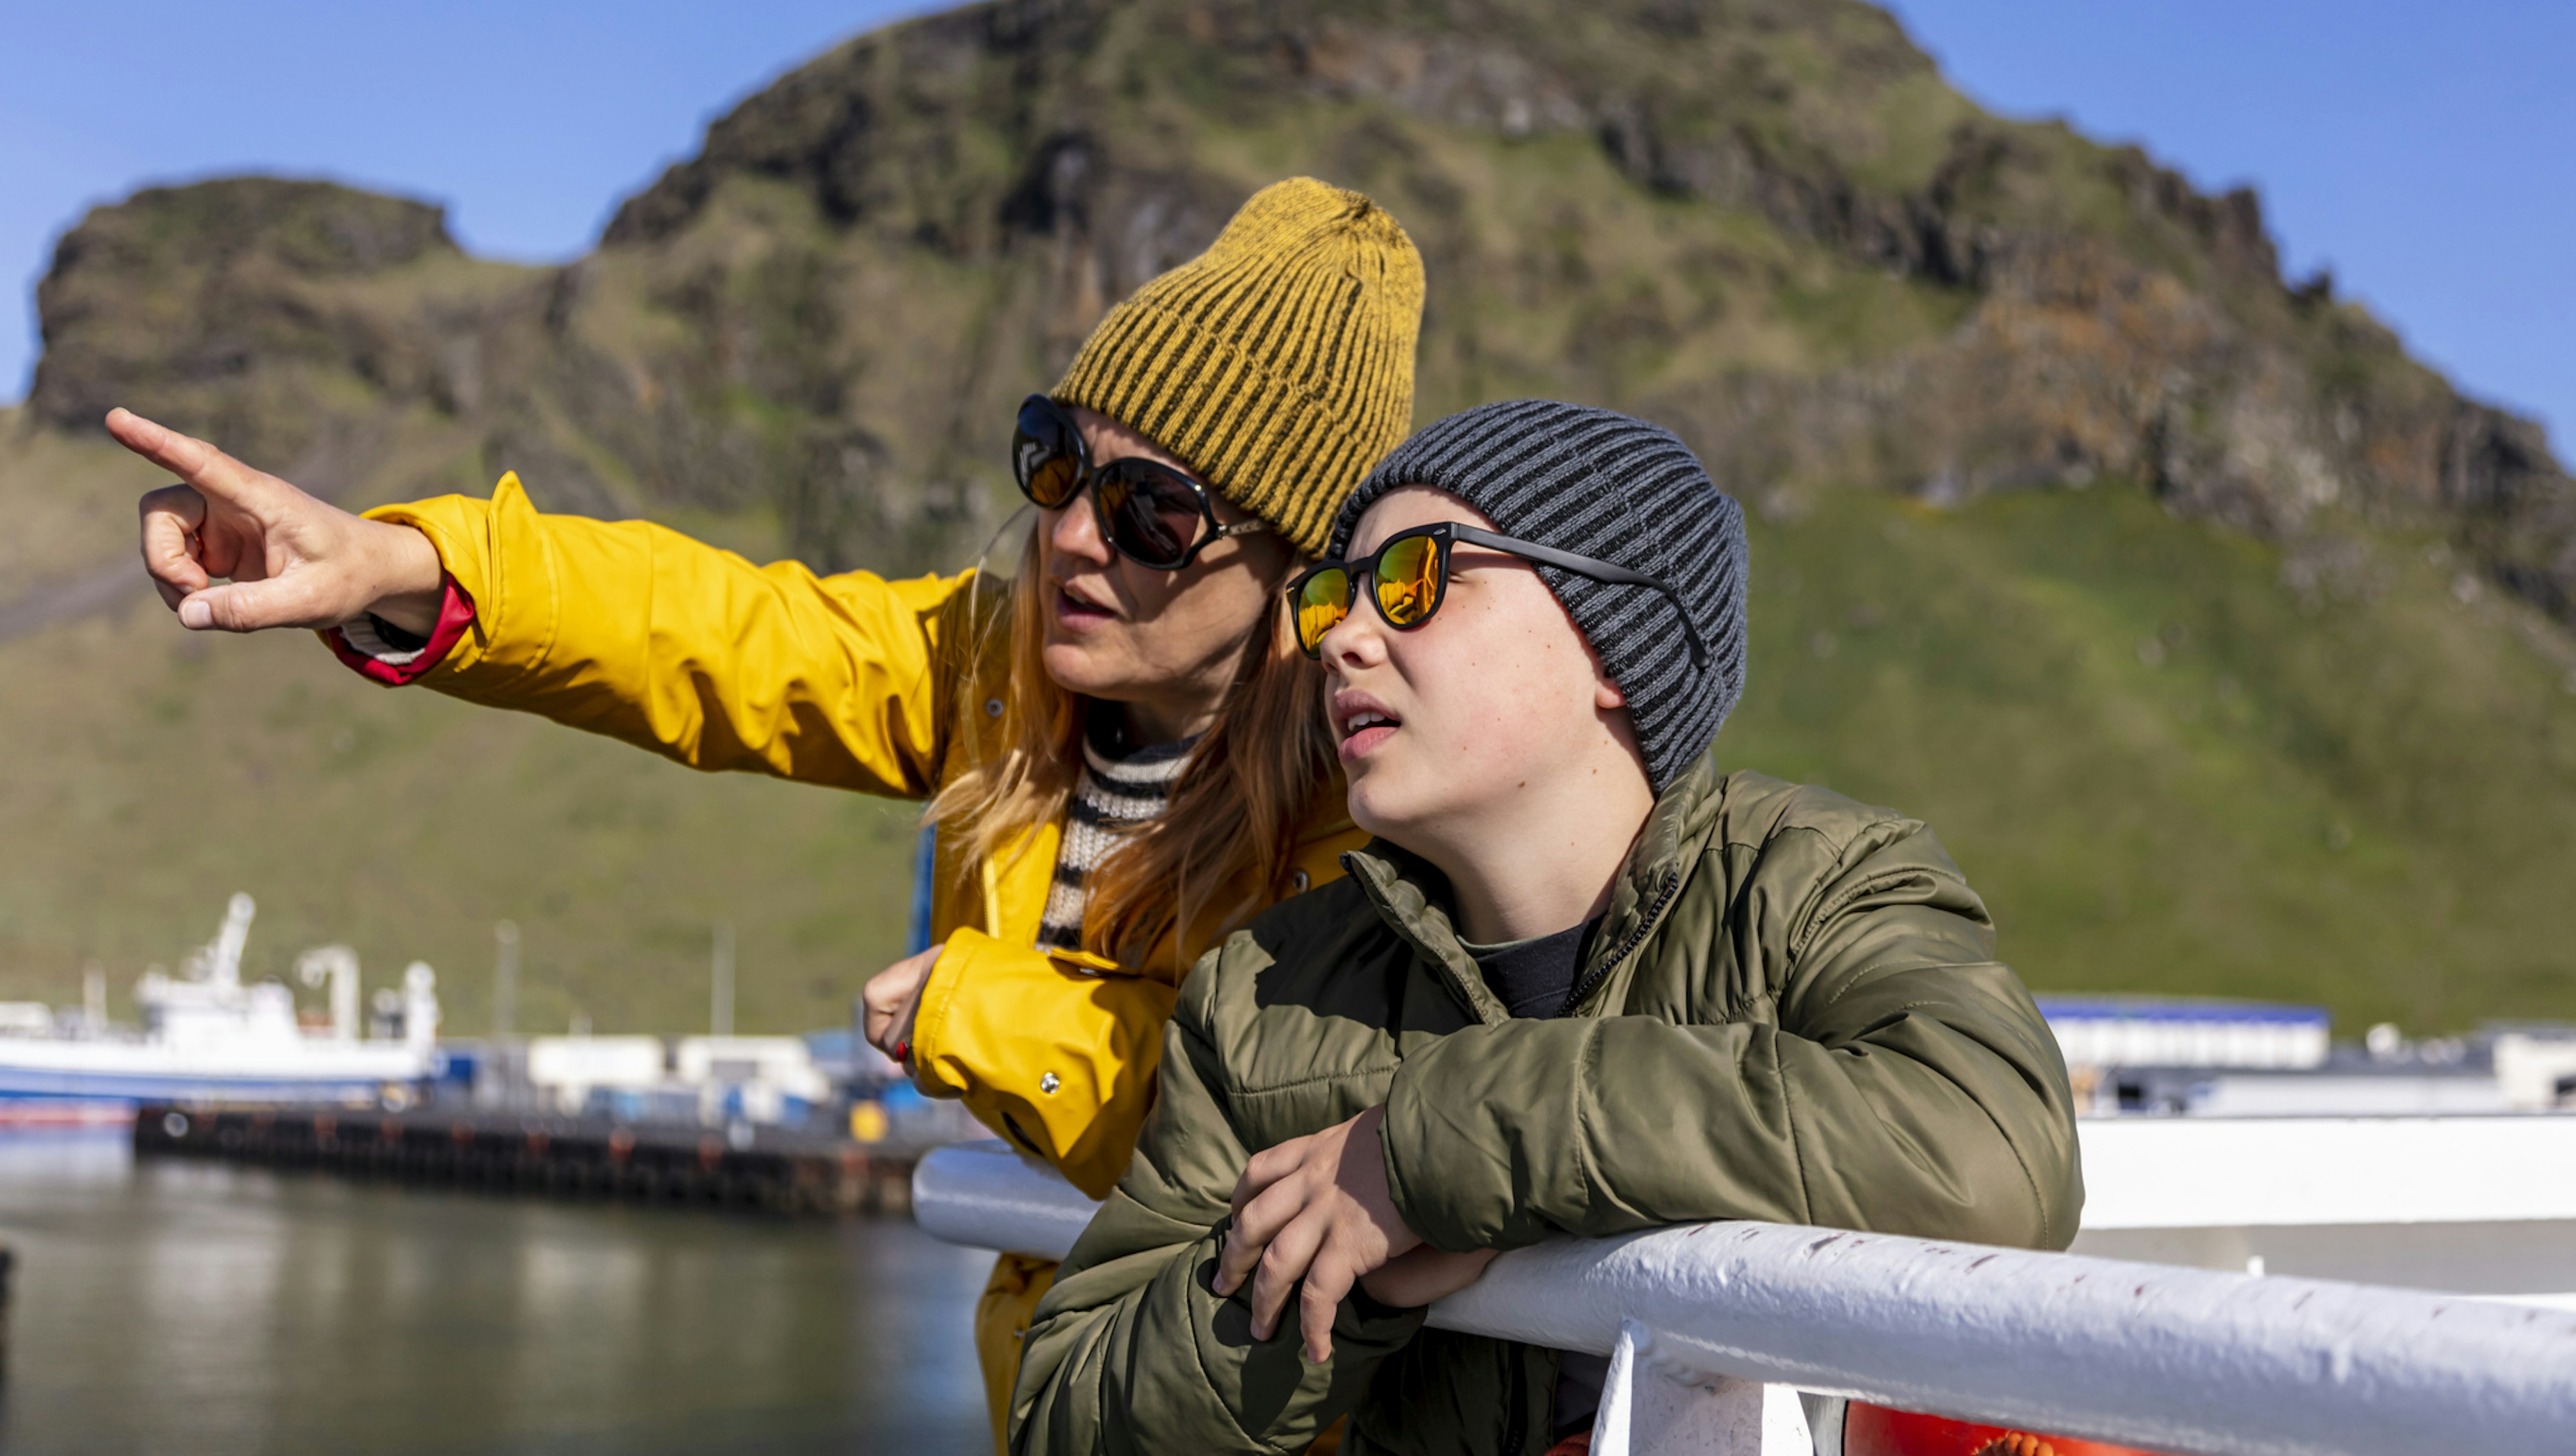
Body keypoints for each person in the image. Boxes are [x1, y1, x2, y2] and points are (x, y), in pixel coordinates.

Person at [108, 176, 1427, 1450]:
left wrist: (979, 1013)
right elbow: (722, 634)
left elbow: (1260, 1119)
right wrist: (404, 568)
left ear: (1292, 568)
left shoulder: (1378, 787)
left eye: (1154, 512)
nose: (1076, 534)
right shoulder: (996, 665)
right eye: (1059, 462)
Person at [1010, 400, 2084, 1456]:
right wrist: (1350, 1281)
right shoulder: (1269, 989)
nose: (1342, 641)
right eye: (1336, 597)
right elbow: (1068, 1415)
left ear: (1619, 642)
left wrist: (1440, 1148)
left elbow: (1997, 1157)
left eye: (1415, 580)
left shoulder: (1814, 886)